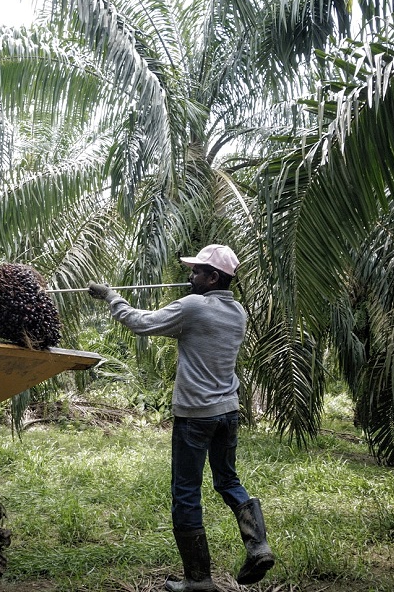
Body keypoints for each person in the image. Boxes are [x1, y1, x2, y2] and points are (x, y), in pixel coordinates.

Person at [87, 244, 274, 590]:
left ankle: (198, 582)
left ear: (213, 277)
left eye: (196, 272)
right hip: (228, 413)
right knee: (229, 482)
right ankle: (258, 545)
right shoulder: (238, 313)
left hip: (195, 417)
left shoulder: (193, 308)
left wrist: (111, 296)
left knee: (186, 493)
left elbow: (140, 322)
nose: (191, 277)